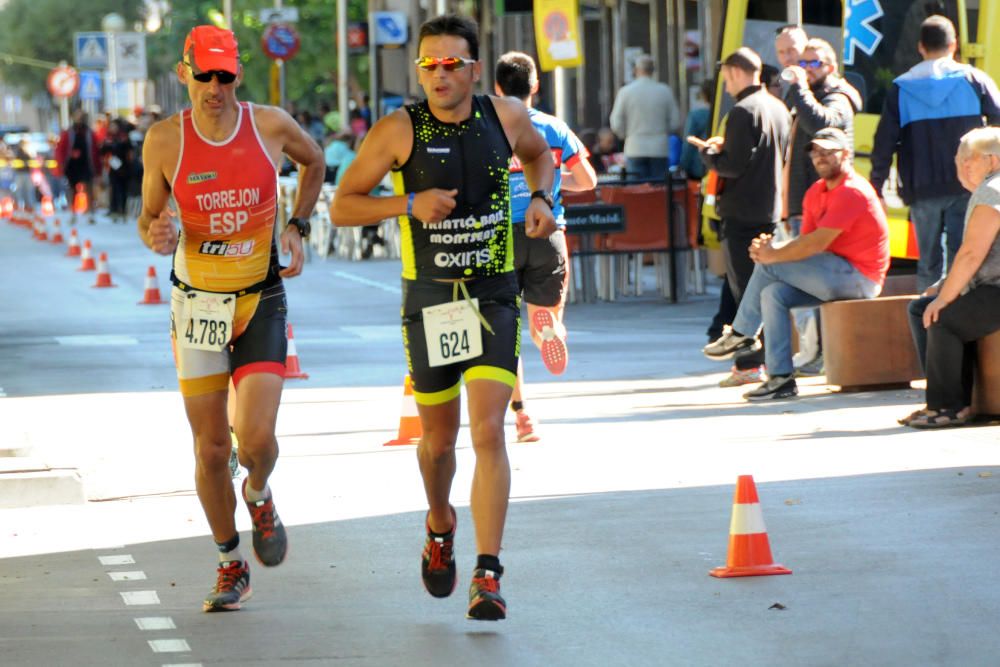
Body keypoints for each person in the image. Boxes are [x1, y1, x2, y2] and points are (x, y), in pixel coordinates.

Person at [330, 14, 556, 621]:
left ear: (475, 70)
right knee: (437, 442)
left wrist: (540, 197)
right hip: (430, 299)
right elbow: (343, 206)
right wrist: (408, 202)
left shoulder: (504, 117)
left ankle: (488, 572)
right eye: (429, 64)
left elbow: (542, 158)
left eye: (451, 63)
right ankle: (439, 521)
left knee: (488, 431)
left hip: (492, 295)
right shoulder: (398, 130)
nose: (439, 74)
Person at [136, 25, 324, 612]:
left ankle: (260, 491)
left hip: (260, 297)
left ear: (235, 75)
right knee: (213, 447)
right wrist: (157, 232)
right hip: (197, 306)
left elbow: (314, 160)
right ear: (183, 72)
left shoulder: (267, 125)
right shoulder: (165, 141)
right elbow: (148, 219)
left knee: (259, 439)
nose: (214, 87)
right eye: (204, 75)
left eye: (225, 75)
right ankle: (228, 560)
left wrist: (297, 225)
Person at [703, 127, 890, 401]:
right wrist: (767, 251)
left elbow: (815, 244)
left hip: (860, 278)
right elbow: (805, 246)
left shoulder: (853, 191)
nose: (821, 157)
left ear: (846, 154)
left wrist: (770, 255)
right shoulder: (815, 191)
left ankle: (741, 333)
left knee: (769, 266)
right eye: (816, 152)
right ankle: (780, 379)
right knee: (773, 293)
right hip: (830, 273)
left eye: (829, 152)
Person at [493, 50, 598, 443]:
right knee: (546, 318)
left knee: (504, 333)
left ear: (498, 88)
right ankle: (548, 329)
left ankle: (522, 415)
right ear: (536, 85)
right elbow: (587, 179)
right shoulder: (555, 128)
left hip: (501, 236)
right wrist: (553, 186)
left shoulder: (490, 129)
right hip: (547, 232)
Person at [871, 14, 1000, 292]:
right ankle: (957, 319)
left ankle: (926, 317)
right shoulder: (974, 79)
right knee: (961, 256)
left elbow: (884, 142)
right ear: (954, 44)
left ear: (920, 47)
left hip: (922, 189)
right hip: (967, 186)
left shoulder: (900, 88)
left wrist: (876, 186)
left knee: (927, 262)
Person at [689, 48, 790, 379]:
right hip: (771, 210)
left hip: (742, 215)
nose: (726, 84)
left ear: (735, 73)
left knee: (746, 294)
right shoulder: (778, 108)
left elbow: (732, 166)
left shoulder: (743, 112)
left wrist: (709, 154)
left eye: (727, 76)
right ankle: (768, 363)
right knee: (765, 293)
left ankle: (752, 365)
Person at [900, 127, 1000, 428]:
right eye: (960, 159)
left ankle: (948, 407)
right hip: (989, 284)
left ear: (993, 160)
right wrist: (944, 287)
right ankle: (942, 396)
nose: (963, 166)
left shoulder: (993, 191)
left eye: (969, 159)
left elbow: (972, 253)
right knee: (921, 309)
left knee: (941, 317)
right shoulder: (987, 188)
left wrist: (944, 298)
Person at [781, 37, 863, 375]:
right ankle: (812, 349)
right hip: (803, 200)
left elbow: (823, 125)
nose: (805, 69)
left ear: (830, 67)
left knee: (813, 280)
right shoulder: (806, 95)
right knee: (803, 281)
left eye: (812, 63)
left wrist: (800, 88)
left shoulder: (838, 97)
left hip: (827, 202)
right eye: (801, 63)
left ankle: (818, 353)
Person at [609, 54, 681, 181]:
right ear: (653, 70)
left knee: (637, 193)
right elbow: (675, 122)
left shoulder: (625, 92)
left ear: (636, 70)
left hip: (635, 147)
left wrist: (625, 135)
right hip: (660, 148)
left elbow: (616, 122)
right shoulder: (664, 91)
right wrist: (663, 132)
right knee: (658, 191)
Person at [55, 109, 101, 223]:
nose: (79, 119)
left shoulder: (89, 133)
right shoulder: (68, 133)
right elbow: (61, 150)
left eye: (82, 117)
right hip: (71, 166)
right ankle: (72, 213)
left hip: (86, 164)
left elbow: (95, 151)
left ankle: (90, 213)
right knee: (72, 190)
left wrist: (98, 168)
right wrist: (61, 165)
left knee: (89, 189)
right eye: (77, 117)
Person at [101, 119, 136, 222]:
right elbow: (103, 152)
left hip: (124, 168)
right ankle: (114, 209)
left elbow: (130, 153)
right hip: (113, 169)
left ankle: (123, 210)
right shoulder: (109, 139)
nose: (113, 128)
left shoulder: (124, 138)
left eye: (114, 126)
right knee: (114, 189)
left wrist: (130, 166)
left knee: (123, 190)